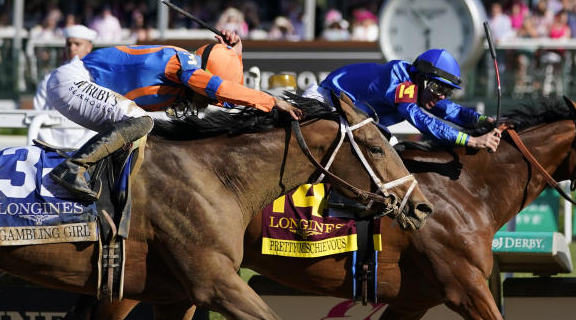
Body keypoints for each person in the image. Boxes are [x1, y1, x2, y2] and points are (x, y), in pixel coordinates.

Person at [44, 29, 301, 201]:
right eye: (209, 99)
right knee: (141, 122)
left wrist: (235, 53)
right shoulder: (181, 63)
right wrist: (270, 100)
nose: (210, 103)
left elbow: (224, 98)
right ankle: (72, 169)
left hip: (80, 85)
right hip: (72, 81)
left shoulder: (192, 75)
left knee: (145, 131)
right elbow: (216, 88)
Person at [308, 48, 501, 151]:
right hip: (324, 104)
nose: (441, 96)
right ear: (422, 78)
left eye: (447, 91)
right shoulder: (399, 82)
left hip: (350, 116)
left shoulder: (421, 87)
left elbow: (451, 111)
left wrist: (485, 120)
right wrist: (472, 141)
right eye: (438, 88)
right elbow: (423, 121)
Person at [33, 25, 98, 149]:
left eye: (77, 44)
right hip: (52, 150)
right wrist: (54, 148)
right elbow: (39, 113)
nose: (72, 48)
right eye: (69, 44)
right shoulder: (50, 79)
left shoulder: (96, 80)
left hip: (85, 150)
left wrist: (78, 149)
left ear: (89, 47)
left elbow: (99, 119)